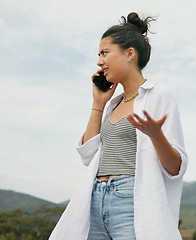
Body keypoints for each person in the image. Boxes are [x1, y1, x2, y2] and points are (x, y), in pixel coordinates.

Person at [49, 12, 188, 240]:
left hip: (130, 201)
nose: (99, 61)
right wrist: (98, 103)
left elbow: (176, 167)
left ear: (129, 54)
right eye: (98, 54)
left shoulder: (158, 95)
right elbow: (87, 155)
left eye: (104, 53)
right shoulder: (114, 104)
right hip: (94, 200)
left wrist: (155, 135)